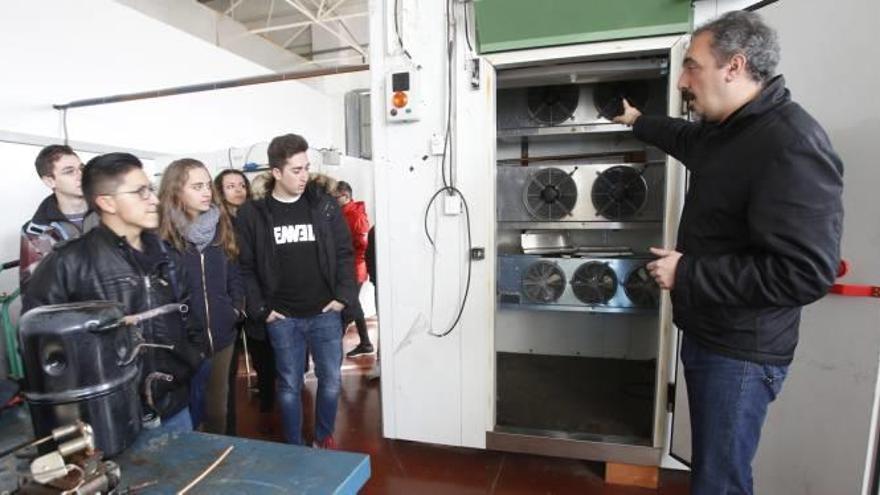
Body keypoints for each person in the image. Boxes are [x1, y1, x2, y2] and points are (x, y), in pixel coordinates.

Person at [613, 11, 843, 494]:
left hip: (740, 352)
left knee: (720, 481)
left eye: (692, 66)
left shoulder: (788, 143)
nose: (681, 79)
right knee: (714, 471)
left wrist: (688, 273)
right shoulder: (731, 131)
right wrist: (639, 123)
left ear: (733, 66)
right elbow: (684, 137)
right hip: (712, 333)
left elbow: (805, 274)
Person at [23, 152, 204, 432]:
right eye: (140, 192)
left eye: (151, 190)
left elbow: (190, 318)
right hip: (107, 418)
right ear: (107, 202)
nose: (154, 200)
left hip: (173, 407)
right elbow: (42, 353)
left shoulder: (168, 255)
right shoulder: (66, 265)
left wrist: (191, 359)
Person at [235, 133, 356, 447]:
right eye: (296, 170)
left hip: (325, 313)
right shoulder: (253, 214)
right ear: (276, 172)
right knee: (288, 384)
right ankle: (294, 446)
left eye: (306, 168)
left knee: (330, 381)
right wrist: (261, 308)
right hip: (282, 317)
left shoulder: (324, 206)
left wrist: (343, 297)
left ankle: (322, 437)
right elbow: (245, 266)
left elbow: (345, 252)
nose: (304, 176)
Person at [159, 159, 244, 434]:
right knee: (187, 413)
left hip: (222, 335)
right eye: (197, 186)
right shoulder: (162, 236)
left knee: (218, 410)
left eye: (208, 185)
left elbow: (234, 271)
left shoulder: (221, 224)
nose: (207, 192)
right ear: (176, 191)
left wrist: (235, 310)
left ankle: (221, 469)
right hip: (183, 343)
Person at [215, 168, 277, 434]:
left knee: (261, 346)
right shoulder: (216, 222)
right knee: (228, 358)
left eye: (241, 184)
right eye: (231, 186)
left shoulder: (258, 215)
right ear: (220, 190)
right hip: (229, 296)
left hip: (254, 293)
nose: (238, 190)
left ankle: (267, 395)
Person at [20, 145, 99, 288]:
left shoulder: (109, 212)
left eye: (82, 168)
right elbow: (34, 288)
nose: (81, 175)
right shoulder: (37, 230)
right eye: (69, 171)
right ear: (50, 181)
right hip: (71, 308)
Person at [334, 181, 374, 357]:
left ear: (346, 196)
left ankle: (334, 346)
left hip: (355, 268)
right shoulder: (343, 213)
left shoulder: (356, 216)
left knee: (349, 308)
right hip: (348, 267)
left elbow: (362, 245)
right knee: (354, 306)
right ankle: (365, 343)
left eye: (336, 197)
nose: (334, 200)